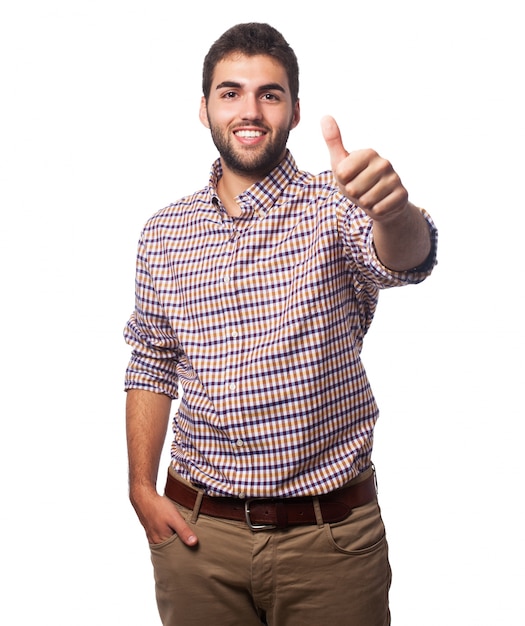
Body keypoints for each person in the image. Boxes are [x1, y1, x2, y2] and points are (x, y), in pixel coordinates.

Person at [124, 22, 437, 626]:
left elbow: (404, 259)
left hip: (330, 545)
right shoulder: (164, 231)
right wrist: (141, 487)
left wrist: (395, 212)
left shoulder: (339, 204)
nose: (250, 110)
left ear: (294, 111)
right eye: (231, 92)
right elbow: (151, 359)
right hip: (199, 539)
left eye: (269, 94)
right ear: (204, 108)